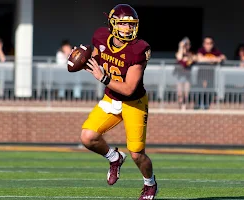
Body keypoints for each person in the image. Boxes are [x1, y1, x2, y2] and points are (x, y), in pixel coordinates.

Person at [79, 4, 158, 200]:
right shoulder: (100, 37)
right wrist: (80, 58)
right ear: (113, 24)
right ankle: (114, 158)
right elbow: (96, 58)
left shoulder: (139, 49)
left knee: (137, 154)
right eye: (123, 24)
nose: (128, 28)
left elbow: (129, 88)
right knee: (88, 137)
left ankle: (150, 184)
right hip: (112, 98)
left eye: (131, 25)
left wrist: (103, 78)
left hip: (134, 102)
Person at [175, 37, 197, 110]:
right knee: (179, 93)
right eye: (185, 44)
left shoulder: (191, 54)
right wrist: (181, 47)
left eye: (187, 44)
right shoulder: (179, 52)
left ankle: (184, 106)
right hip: (180, 77)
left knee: (186, 93)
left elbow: (189, 62)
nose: (186, 46)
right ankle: (180, 105)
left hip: (188, 77)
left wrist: (186, 59)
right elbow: (179, 58)